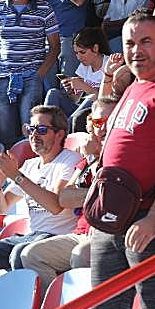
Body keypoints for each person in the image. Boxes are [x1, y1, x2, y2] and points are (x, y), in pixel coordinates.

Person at [89, 9, 155, 309]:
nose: (136, 50)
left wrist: (154, 219)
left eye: (146, 41)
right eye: (130, 43)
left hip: (146, 223)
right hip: (110, 220)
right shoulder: (132, 87)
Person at [20, 97, 117, 297]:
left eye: (109, 121)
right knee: (30, 255)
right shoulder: (87, 161)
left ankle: (84, 308)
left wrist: (90, 192)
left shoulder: (122, 154)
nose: (102, 128)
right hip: (81, 233)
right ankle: (57, 305)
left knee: (80, 255)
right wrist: (92, 162)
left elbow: (115, 194)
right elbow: (65, 198)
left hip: (110, 232)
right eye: (97, 122)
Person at [0, 105, 81, 270]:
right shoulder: (30, 165)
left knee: (20, 253)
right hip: (31, 236)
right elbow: (1, 208)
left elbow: (56, 206)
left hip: (56, 238)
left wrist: (16, 176)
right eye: (30, 129)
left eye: (41, 130)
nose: (34, 135)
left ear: (59, 134)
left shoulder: (70, 160)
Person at [0, 0, 60, 148]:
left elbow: (55, 46)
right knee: (4, 133)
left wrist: (39, 75)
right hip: (2, 78)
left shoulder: (45, 9)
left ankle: (30, 163)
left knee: (31, 131)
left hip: (32, 77)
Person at [44, 27, 109, 118]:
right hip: (79, 109)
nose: (79, 57)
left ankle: (68, 124)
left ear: (95, 48)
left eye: (82, 52)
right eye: (76, 53)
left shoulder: (110, 64)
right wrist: (70, 91)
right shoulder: (84, 65)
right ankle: (45, 123)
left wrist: (83, 86)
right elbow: (76, 99)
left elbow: (105, 100)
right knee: (53, 92)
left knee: (90, 98)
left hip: (97, 112)